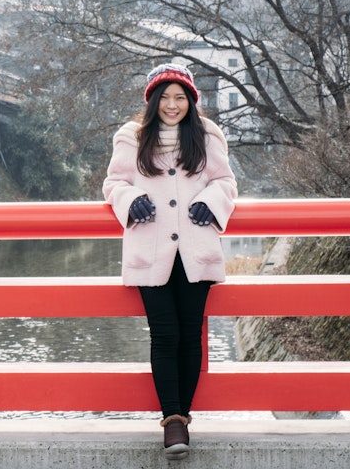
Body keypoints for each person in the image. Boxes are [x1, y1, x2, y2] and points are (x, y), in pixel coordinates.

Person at [102, 63, 238, 460]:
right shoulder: (132, 136)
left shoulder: (207, 134)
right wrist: (130, 201)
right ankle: (172, 421)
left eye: (180, 97)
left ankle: (183, 415)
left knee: (191, 332)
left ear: (191, 100)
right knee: (164, 334)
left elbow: (225, 182)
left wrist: (209, 204)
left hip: (195, 247)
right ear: (152, 100)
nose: (173, 104)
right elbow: (114, 183)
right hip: (152, 247)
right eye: (165, 97)